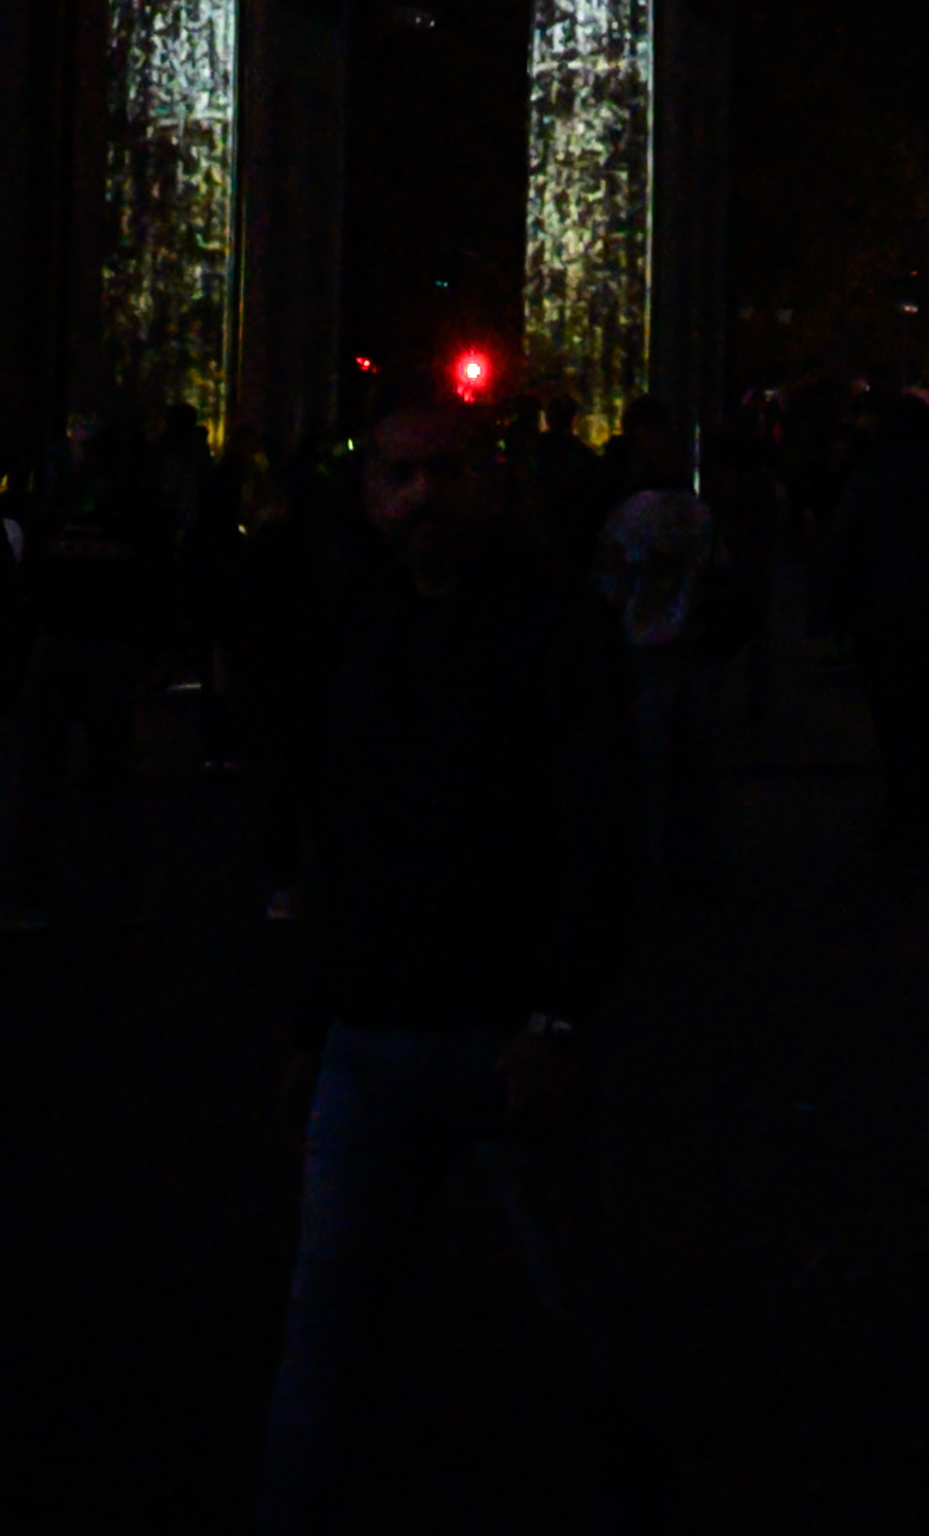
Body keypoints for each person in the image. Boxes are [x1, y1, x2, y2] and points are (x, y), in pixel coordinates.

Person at [257, 389, 649, 1532]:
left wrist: (557, 1016)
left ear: (492, 478)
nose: (423, 494)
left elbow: (602, 834)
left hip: (501, 1035)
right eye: (400, 474)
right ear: (368, 490)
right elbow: (338, 841)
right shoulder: (355, 627)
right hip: (369, 1032)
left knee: (576, 1317)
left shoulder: (559, 629)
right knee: (323, 1327)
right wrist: (306, 1022)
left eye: (447, 470)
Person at [818, 395, 929, 854]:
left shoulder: (869, 481)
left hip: (884, 620)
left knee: (896, 723)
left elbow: (843, 550)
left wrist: (836, 615)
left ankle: (901, 812)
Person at [592, 426, 715, 871]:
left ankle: (651, 858)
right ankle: (690, 858)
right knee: (691, 764)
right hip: (689, 643)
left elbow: (610, 581)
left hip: (641, 646)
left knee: (648, 765)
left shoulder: (627, 516)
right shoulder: (699, 514)